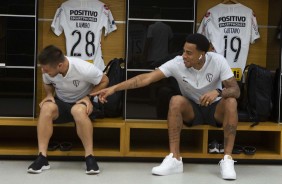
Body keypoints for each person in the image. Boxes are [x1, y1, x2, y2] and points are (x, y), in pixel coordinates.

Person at [92, 33, 240, 180]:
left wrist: (218, 91)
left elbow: (236, 90)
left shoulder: (218, 61)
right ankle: (175, 159)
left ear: (202, 54)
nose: (184, 56)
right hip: (192, 110)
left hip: (215, 109)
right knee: (175, 100)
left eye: (189, 53)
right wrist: (114, 88)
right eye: (183, 51)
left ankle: (227, 159)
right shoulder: (177, 63)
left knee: (231, 101)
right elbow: (145, 79)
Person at [27, 45, 109, 174]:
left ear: (60, 65)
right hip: (62, 103)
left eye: (46, 69)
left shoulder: (83, 68)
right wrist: (49, 95)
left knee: (78, 110)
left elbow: (104, 80)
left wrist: (88, 97)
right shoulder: (49, 69)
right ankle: (42, 157)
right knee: (46, 107)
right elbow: (47, 82)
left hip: (82, 102)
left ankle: (90, 157)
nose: (43, 71)